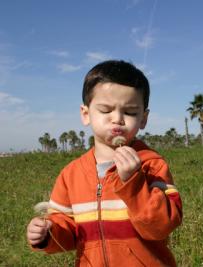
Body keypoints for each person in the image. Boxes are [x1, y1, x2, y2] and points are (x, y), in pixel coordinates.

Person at [26, 60, 183, 266]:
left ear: (143, 118)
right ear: (86, 114)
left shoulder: (151, 165)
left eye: (130, 112)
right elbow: (69, 230)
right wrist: (48, 232)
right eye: (106, 110)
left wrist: (133, 182)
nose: (117, 118)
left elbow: (161, 226)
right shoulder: (72, 174)